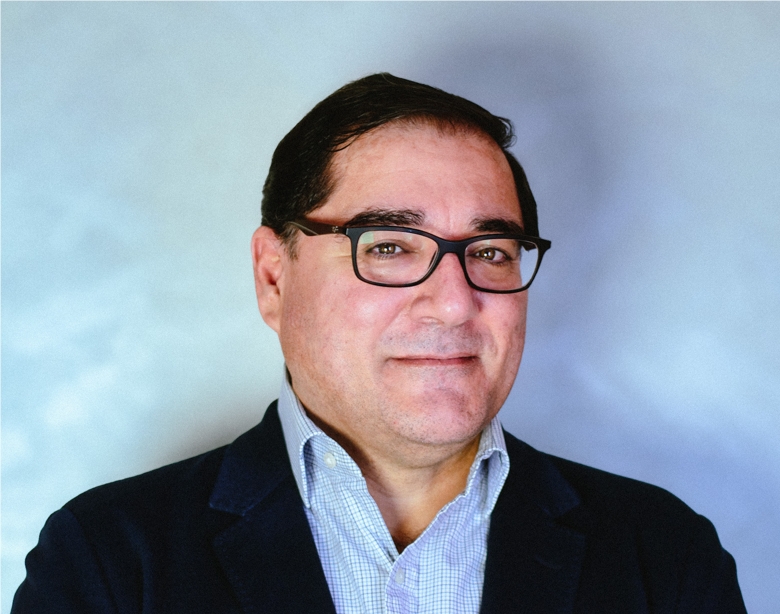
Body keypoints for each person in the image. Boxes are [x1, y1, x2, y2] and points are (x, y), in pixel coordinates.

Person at [13, 73, 746, 613]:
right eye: (389, 246)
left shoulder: (666, 558)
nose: (454, 301)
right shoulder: (108, 562)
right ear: (273, 278)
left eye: (491, 251)